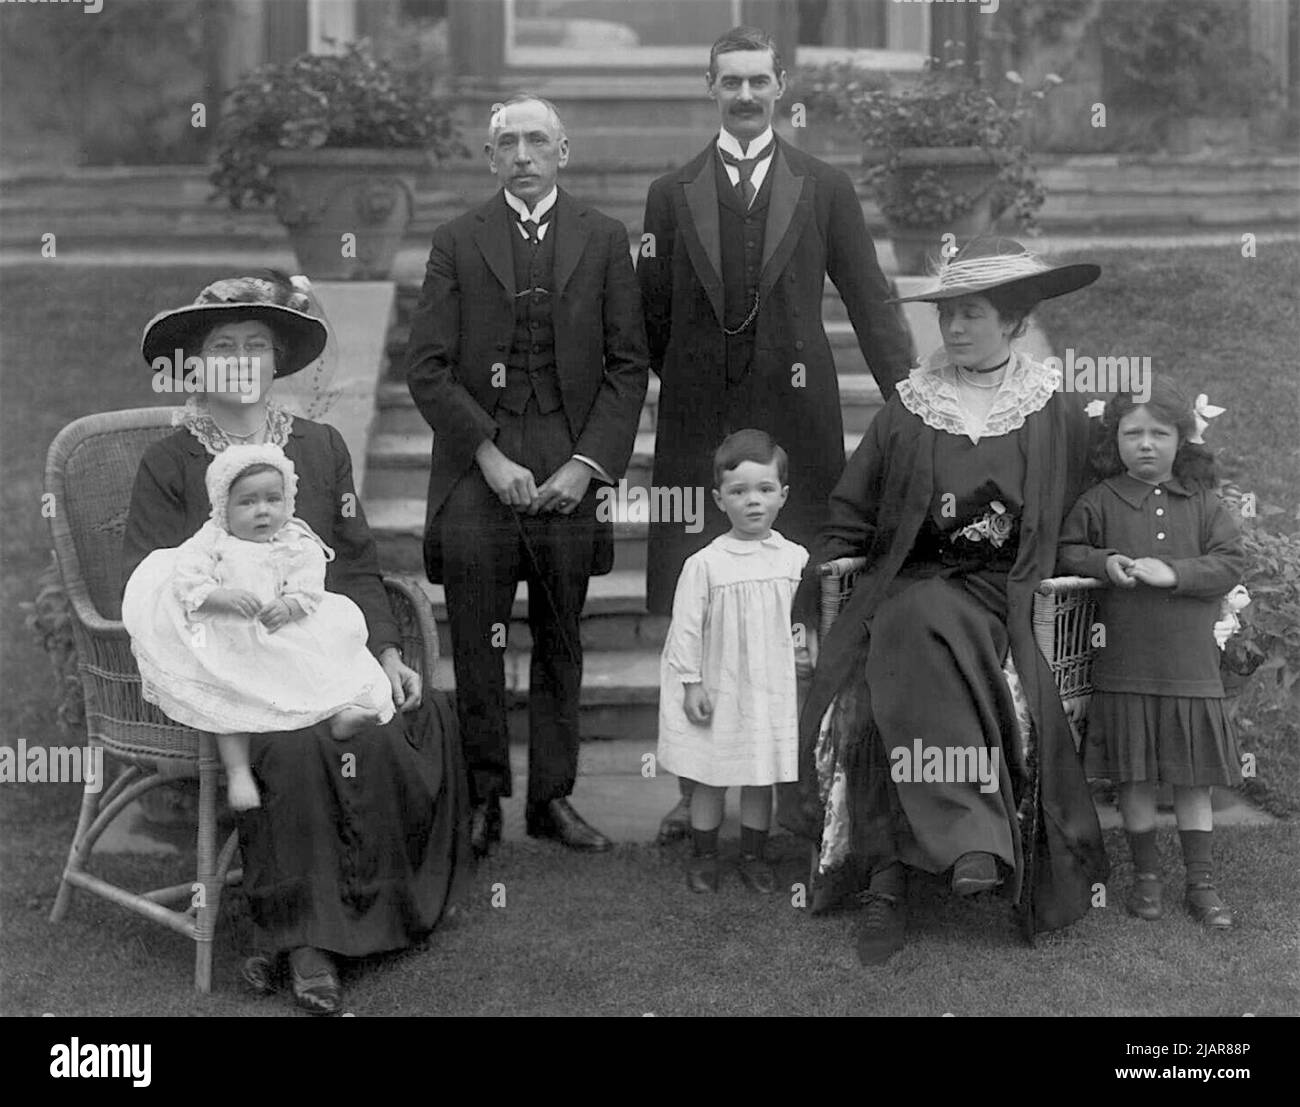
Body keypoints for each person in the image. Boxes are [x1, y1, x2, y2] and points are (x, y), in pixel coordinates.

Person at [124, 274, 468, 1014]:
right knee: (294, 741)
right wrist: (221, 619)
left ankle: (379, 914)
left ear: (278, 362)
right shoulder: (170, 460)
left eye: (257, 346)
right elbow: (150, 579)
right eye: (223, 347)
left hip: (317, 640)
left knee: (405, 715)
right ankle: (307, 943)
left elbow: (354, 561)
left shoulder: (319, 445)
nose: (242, 360)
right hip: (221, 656)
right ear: (195, 365)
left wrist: (386, 650)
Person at [779, 237, 1110, 965]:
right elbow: (852, 509)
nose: (954, 329)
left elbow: (1088, 511)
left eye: (972, 315)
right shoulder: (910, 407)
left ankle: (901, 879)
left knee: (912, 627)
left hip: (1004, 592)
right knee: (907, 620)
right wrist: (821, 566)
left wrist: (1108, 554)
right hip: (910, 576)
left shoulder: (1052, 411)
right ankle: (967, 845)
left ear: (1016, 321)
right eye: (948, 316)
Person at [639, 25, 915, 842]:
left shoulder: (825, 186)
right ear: (711, 86)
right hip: (701, 432)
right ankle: (697, 792)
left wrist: (908, 398)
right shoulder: (671, 191)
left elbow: (868, 295)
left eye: (760, 81)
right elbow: (652, 313)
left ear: (781, 85)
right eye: (732, 82)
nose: (748, 95)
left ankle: (798, 783)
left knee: (799, 606)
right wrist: (693, 378)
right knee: (701, 604)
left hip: (800, 426)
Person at [405, 95, 649, 858]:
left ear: (563, 151)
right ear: (490, 159)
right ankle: (483, 796)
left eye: (536, 139)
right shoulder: (456, 240)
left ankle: (552, 798)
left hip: (569, 456)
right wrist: (486, 453)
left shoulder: (606, 240)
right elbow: (428, 368)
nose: (522, 152)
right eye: (506, 142)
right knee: (477, 639)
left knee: (560, 635)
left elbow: (627, 365)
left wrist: (585, 466)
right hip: (482, 458)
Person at [1058, 377, 1245, 929]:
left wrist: (1176, 573)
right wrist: (1105, 562)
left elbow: (1231, 561)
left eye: (1159, 433)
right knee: (1134, 778)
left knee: (1192, 779)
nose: (1145, 443)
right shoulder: (1099, 501)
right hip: (1125, 665)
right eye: (1132, 432)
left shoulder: (1204, 504)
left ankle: (1202, 885)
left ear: (1181, 440)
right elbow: (1068, 549)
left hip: (1189, 669)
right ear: (1113, 440)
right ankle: (1146, 879)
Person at [123, 445, 395, 811]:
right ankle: (238, 772)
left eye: (272, 499)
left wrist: (290, 605)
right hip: (234, 636)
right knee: (229, 697)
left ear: (287, 501)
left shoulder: (296, 540)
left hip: (287, 630)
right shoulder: (212, 541)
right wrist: (220, 597)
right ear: (224, 508)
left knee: (327, 659)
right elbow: (187, 581)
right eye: (247, 503)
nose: (263, 510)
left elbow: (310, 584)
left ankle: (341, 714)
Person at [657, 430, 811, 894]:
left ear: (782, 495)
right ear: (719, 499)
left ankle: (753, 855)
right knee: (712, 774)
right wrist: (690, 683)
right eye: (739, 492)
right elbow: (684, 628)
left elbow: (800, 618)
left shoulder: (795, 559)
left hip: (769, 687)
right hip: (720, 686)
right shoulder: (705, 564)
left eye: (765, 490)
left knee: (759, 776)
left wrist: (803, 649)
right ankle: (705, 856)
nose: (753, 502)